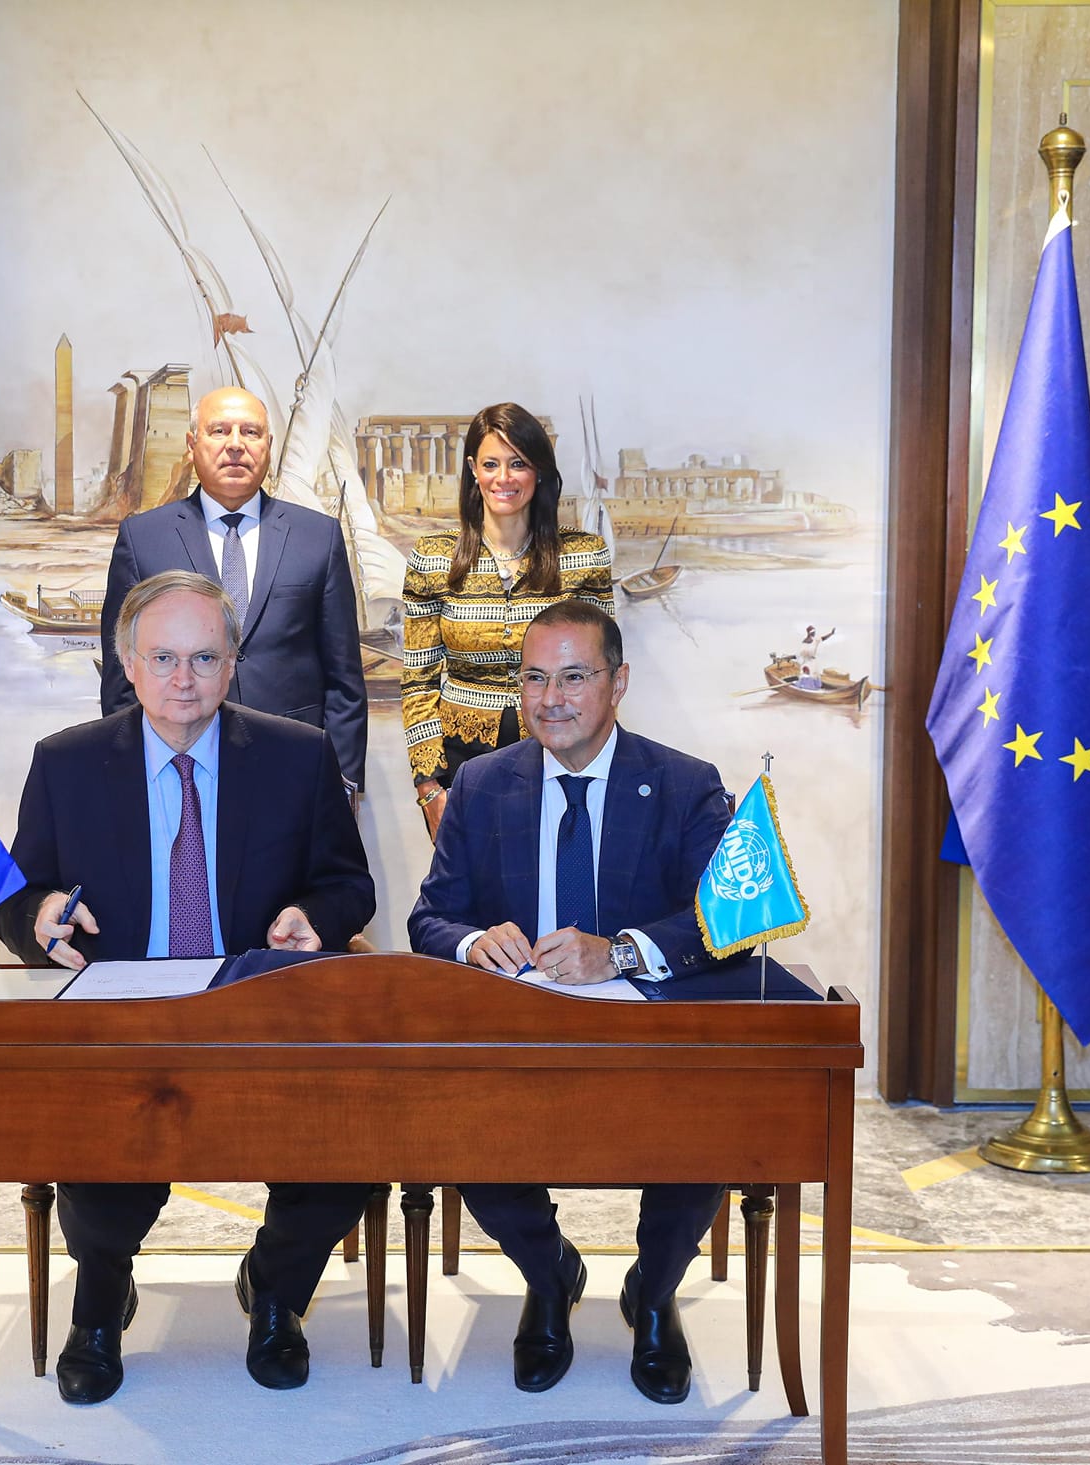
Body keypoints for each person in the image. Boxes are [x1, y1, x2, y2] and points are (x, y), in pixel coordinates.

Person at [0, 571, 375, 1404]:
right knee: (93, 1147)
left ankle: (275, 1290)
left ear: (232, 664)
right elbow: (17, 898)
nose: (183, 678)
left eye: (204, 657)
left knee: (354, 1141)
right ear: (128, 665)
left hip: (259, 1022)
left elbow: (350, 885)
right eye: (162, 657)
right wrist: (41, 914)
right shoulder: (66, 763)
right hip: (124, 1028)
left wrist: (313, 914)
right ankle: (100, 1302)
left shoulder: (298, 755)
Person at [407, 600, 732, 1404]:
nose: (550, 698)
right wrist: (470, 942)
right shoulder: (481, 783)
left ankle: (654, 1293)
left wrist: (618, 950)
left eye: (574, 677)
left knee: (715, 1122)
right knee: (454, 1121)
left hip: (652, 1049)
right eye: (534, 678)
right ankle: (549, 1274)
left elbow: (723, 922)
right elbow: (429, 917)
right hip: (521, 1046)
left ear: (618, 683)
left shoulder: (686, 784)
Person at [98, 386, 368, 798]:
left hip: (294, 769)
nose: (236, 445)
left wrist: (341, 783)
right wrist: (131, 777)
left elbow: (344, 681)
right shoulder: (143, 539)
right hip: (178, 769)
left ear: (268, 445)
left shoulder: (318, 537)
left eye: (251, 432)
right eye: (219, 431)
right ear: (192, 444)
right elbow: (121, 678)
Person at [401, 402, 613, 837]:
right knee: (472, 881)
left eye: (518, 463)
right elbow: (418, 683)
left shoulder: (585, 555)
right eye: (491, 464)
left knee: (556, 875)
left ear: (539, 471)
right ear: (472, 471)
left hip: (564, 755)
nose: (504, 478)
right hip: (461, 767)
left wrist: (591, 769)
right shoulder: (433, 557)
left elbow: (601, 678)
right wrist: (429, 787)